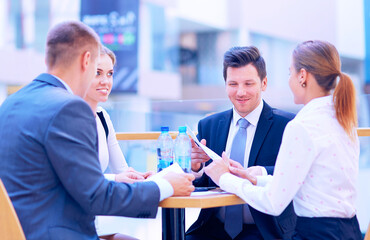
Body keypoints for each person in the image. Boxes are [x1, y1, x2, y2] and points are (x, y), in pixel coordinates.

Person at [0, 21, 195, 240]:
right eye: (97, 70)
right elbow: (97, 197)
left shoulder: (10, 103)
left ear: (48, 59)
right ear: (86, 61)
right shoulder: (69, 107)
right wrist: (164, 186)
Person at [205, 40, 362, 240]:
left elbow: (273, 202)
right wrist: (257, 178)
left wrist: (225, 179)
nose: (289, 80)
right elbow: (311, 182)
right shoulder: (342, 119)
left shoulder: (302, 126)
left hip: (315, 234)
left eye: (290, 73)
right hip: (349, 231)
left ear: (302, 76)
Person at [186, 46, 296, 240]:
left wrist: (258, 172)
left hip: (264, 229)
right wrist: (196, 169)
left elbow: (292, 174)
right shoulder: (209, 125)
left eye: (248, 83)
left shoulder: (287, 125)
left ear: (264, 83)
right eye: (233, 84)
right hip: (213, 228)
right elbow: (203, 185)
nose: (240, 92)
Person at [84, 45, 151, 184]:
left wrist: (140, 177)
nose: (106, 81)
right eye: (98, 73)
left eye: (110, 74)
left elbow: (121, 170)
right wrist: (115, 178)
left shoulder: (102, 117)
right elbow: (75, 178)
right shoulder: (67, 117)